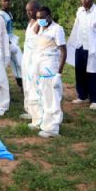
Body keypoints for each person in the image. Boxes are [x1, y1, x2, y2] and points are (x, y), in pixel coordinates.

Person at [28, 7, 67, 138]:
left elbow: (63, 52)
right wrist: (39, 25)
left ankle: (52, 129)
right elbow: (34, 34)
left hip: (50, 67)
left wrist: (59, 74)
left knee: (51, 98)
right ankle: (39, 120)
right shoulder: (40, 27)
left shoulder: (57, 29)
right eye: (38, 17)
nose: (40, 20)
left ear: (50, 16)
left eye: (43, 17)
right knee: (39, 95)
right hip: (38, 65)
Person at [67, 0, 96, 110]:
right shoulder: (80, 11)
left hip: (92, 49)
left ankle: (95, 99)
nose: (84, 1)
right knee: (79, 72)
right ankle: (82, 96)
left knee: (93, 73)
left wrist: (94, 42)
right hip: (80, 46)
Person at [0, 0, 23, 89]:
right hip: (6, 42)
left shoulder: (9, 12)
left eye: (8, 0)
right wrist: (9, 44)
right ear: (0, 2)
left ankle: (21, 85)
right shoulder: (1, 15)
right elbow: (1, 32)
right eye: (5, 0)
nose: (7, 2)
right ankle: (0, 87)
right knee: (11, 63)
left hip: (12, 40)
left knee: (17, 63)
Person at [20, 0, 41, 120]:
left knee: (34, 85)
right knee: (26, 84)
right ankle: (29, 109)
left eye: (31, 10)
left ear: (38, 9)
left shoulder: (39, 23)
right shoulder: (31, 21)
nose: (28, 12)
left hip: (34, 59)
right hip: (26, 58)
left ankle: (36, 112)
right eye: (27, 10)